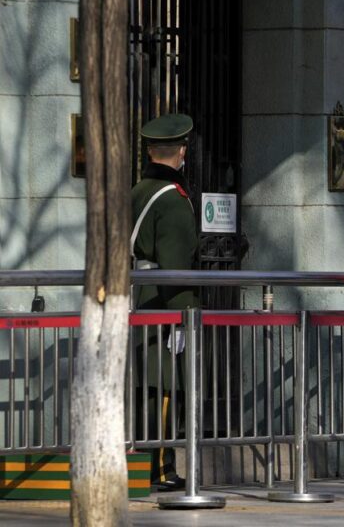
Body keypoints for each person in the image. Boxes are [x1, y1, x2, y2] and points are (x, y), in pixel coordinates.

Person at [131, 113, 198, 491]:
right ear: (181, 151)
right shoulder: (172, 199)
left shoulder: (140, 189)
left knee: (148, 387)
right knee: (163, 388)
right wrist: (183, 314)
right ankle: (160, 469)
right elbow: (176, 265)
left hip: (143, 295)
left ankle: (150, 465)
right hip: (162, 301)